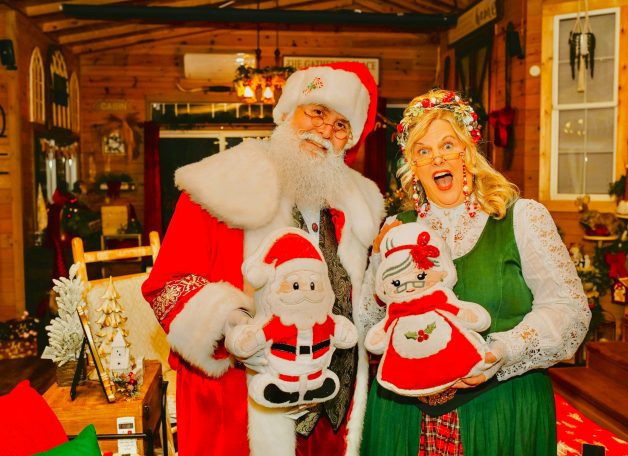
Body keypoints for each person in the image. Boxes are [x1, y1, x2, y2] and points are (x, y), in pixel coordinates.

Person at [141, 62, 384, 456]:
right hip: (238, 409)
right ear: (288, 112)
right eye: (317, 112)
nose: (325, 131)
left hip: (328, 419)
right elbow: (166, 286)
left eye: (341, 125)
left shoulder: (359, 209)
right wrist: (234, 326)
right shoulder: (222, 184)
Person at [359, 89, 591, 456]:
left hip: (500, 409)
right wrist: (377, 265)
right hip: (404, 414)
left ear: (468, 151)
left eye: (448, 145)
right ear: (413, 166)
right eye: (423, 151)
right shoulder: (395, 228)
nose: (437, 158)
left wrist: (501, 352)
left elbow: (568, 310)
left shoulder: (521, 219)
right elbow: (367, 325)